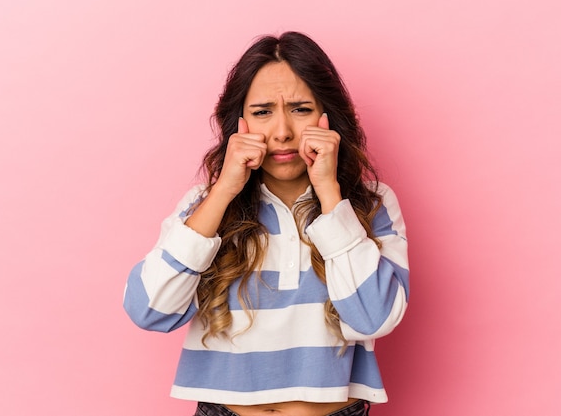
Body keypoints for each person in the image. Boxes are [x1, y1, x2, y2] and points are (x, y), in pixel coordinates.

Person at [124, 31, 410, 416]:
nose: (281, 133)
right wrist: (224, 189)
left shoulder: (371, 204)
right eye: (262, 112)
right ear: (238, 123)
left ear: (329, 115)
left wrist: (328, 192)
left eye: (300, 108)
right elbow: (149, 310)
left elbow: (374, 318)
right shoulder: (204, 206)